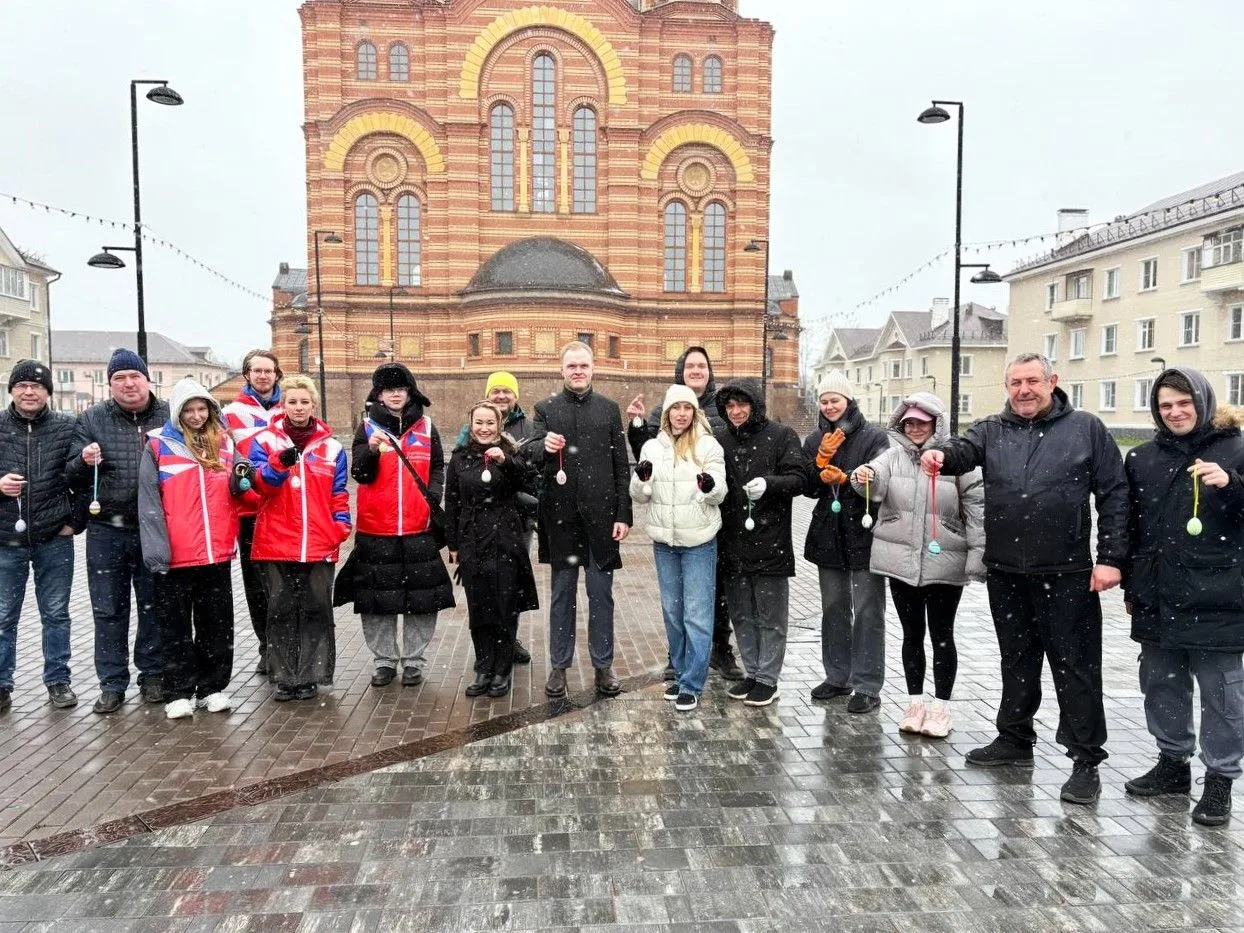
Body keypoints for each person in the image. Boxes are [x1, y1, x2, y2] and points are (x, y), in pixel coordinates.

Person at [922, 352, 1128, 806]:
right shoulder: (993, 429)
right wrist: (941, 452)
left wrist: (1111, 558)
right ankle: (1014, 737)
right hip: (1008, 570)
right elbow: (964, 449)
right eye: (1015, 382)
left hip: (1068, 571)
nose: (1024, 390)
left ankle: (1085, 759)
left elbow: (1115, 494)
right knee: (1015, 658)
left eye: (1032, 380)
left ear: (1053, 381)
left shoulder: (1086, 428)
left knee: (1074, 665)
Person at [1122, 368, 1244, 826]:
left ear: (1204, 401)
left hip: (1221, 595)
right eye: (1165, 405)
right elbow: (1131, 528)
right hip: (1157, 594)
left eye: (1183, 402)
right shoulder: (1142, 459)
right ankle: (1173, 764)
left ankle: (1219, 782)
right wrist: (1133, 582)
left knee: (1222, 694)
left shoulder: (1238, 450)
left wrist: (1232, 485)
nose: (1174, 412)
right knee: (1161, 684)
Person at [851, 392, 984, 736]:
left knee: (942, 635)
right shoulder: (892, 456)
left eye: (921, 422)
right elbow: (874, 481)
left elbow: (976, 509)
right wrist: (862, 476)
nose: (914, 428)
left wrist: (977, 557)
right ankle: (915, 702)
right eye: (909, 422)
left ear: (936, 424)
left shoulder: (957, 460)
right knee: (912, 635)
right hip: (901, 561)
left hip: (945, 561)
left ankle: (941, 708)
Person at [625, 345, 743, 681]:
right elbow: (646, 456)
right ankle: (679, 659)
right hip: (673, 525)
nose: (696, 371)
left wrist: (712, 488)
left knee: (709, 598)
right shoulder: (662, 418)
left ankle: (718, 651)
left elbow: (728, 460)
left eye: (701, 366)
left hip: (713, 517)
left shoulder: (721, 411)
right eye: (689, 366)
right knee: (679, 605)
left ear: (709, 372)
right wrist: (635, 424)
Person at [336, 363, 454, 689]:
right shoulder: (367, 428)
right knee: (377, 603)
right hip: (377, 530)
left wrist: (431, 496)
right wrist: (371, 452)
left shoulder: (427, 427)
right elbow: (359, 474)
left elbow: (437, 467)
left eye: (400, 388)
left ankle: (414, 661)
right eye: (389, 389)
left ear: (410, 391)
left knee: (422, 600)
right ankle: (384, 661)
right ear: (379, 394)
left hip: (418, 527)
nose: (395, 394)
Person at [138, 378, 250, 719]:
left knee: (217, 625)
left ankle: (213, 687)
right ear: (178, 412)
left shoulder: (226, 443)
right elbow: (149, 502)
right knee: (174, 627)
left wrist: (244, 479)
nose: (197, 415)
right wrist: (157, 549)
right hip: (175, 555)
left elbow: (241, 487)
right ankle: (178, 691)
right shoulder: (158, 446)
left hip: (215, 553)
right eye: (189, 409)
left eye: (202, 409)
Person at [67, 348, 170, 714]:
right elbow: (71, 474)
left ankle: (153, 674)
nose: (128, 383)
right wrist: (83, 460)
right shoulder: (92, 419)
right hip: (106, 532)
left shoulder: (169, 415)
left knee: (154, 605)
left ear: (147, 378)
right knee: (108, 609)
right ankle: (112, 683)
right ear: (109, 384)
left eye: (134, 376)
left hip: (154, 529)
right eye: (119, 378)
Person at [529, 341, 631, 699]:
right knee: (563, 595)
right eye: (571, 366)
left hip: (602, 521)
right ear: (562, 370)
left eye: (583, 366)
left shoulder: (608, 409)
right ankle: (559, 666)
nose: (577, 371)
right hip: (562, 522)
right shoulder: (545, 410)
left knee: (602, 595)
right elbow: (527, 449)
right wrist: (542, 445)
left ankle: (603, 665)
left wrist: (623, 513)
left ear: (592, 369)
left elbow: (621, 465)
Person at [247, 374, 350, 701]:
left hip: (319, 542)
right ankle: (284, 677)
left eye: (304, 401)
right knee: (280, 610)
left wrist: (341, 527)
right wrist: (279, 464)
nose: (298, 407)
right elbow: (260, 485)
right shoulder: (264, 441)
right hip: (276, 543)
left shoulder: (332, 447)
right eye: (292, 401)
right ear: (283, 404)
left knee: (316, 610)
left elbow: (339, 493)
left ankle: (310, 675)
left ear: (314, 405)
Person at [630, 384, 727, 712]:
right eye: (676, 408)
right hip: (665, 543)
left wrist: (710, 487)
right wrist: (641, 480)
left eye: (687, 408)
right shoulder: (651, 448)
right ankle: (683, 671)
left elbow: (720, 491)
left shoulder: (708, 445)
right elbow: (639, 494)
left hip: (699, 541)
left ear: (694, 412)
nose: (681, 414)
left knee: (697, 614)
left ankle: (692, 683)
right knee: (673, 613)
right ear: (667, 413)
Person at [801, 372, 890, 713]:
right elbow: (807, 487)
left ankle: (867, 685)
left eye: (835, 399)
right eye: (824, 401)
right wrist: (817, 464)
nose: (829, 406)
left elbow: (882, 480)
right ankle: (838, 676)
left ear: (848, 401)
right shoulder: (815, 438)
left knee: (869, 610)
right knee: (834, 607)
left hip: (865, 530)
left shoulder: (873, 436)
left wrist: (854, 478)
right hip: (829, 532)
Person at [714, 379, 806, 707]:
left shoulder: (782, 436)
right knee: (741, 613)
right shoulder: (720, 439)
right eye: (730, 407)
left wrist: (770, 484)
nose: (736, 411)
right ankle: (752, 672)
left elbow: (799, 479)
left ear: (754, 405)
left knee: (770, 615)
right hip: (732, 540)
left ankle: (768, 678)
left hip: (771, 541)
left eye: (742, 404)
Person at [0, 361, 80, 711]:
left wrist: (74, 522)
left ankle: (58, 681)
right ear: (12, 390)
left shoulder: (67, 426)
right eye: (22, 385)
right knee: (4, 615)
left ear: (48, 391)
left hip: (54, 538)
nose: (29, 392)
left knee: (56, 613)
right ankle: (1, 684)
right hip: (5, 539)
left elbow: (82, 476)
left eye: (37, 386)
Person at [445, 401, 539, 698]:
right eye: (479, 423)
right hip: (472, 540)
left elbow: (527, 479)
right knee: (479, 607)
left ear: (499, 426)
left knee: (504, 606)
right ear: (470, 425)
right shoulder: (459, 458)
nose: (484, 428)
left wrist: (505, 462)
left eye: (490, 423)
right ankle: (484, 667)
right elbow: (453, 502)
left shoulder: (511, 454)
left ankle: (502, 669)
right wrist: (453, 544)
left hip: (505, 539)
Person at [453, 370, 533, 665]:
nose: (501, 396)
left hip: (515, 521)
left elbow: (529, 473)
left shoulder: (528, 425)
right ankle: (490, 654)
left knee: (509, 589)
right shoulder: (470, 431)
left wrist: (510, 462)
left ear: (515, 396)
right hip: (477, 526)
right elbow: (461, 472)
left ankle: (508, 644)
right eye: (495, 391)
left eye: (506, 391)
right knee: (485, 590)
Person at [222, 349, 283, 675]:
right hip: (250, 511)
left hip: (284, 509)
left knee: (284, 583)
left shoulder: (292, 408)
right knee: (257, 586)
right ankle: (266, 646)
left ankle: (285, 643)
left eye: (268, 371)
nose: (263, 376)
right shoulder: (230, 414)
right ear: (246, 374)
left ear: (276, 374)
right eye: (257, 370)